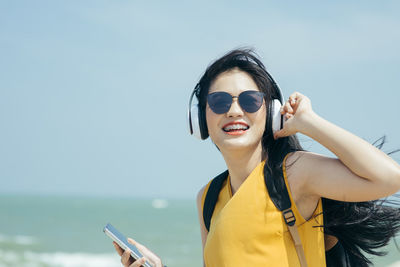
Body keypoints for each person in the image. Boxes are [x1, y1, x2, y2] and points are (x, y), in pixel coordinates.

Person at [114, 48, 400, 267]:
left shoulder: (293, 173)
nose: (234, 111)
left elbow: (389, 178)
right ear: (200, 118)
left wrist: (310, 122)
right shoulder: (209, 198)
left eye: (250, 100)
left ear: (271, 112)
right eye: (219, 101)